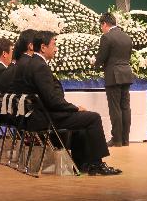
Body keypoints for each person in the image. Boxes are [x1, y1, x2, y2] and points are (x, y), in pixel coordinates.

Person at [11, 30, 121, 175]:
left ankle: (83, 163)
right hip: (45, 118)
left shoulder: (32, 63)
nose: (56, 49)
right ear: (43, 47)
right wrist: (74, 108)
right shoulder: (39, 66)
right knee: (93, 118)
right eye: (54, 44)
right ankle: (97, 164)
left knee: (83, 121)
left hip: (35, 116)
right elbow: (52, 101)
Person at [93, 13, 134, 147]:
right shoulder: (127, 37)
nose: (101, 29)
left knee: (115, 108)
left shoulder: (106, 37)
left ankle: (117, 140)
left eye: (101, 26)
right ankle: (125, 139)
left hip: (113, 76)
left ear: (104, 24)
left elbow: (102, 57)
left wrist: (95, 62)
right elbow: (127, 57)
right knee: (125, 107)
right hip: (126, 74)